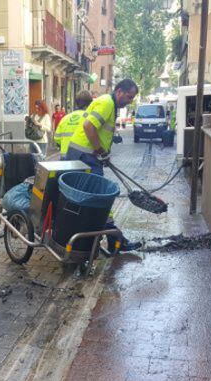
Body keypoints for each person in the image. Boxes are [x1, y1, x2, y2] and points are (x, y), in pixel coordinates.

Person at [65, 79, 142, 253]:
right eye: (129, 97)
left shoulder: (110, 104)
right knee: (101, 197)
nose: (129, 101)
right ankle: (113, 239)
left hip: (87, 156)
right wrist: (99, 150)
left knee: (96, 198)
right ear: (119, 91)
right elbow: (88, 126)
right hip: (86, 156)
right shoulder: (107, 103)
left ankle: (105, 238)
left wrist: (103, 153)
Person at [54, 91, 93, 159]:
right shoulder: (90, 118)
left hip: (65, 158)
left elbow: (57, 138)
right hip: (84, 158)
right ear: (90, 104)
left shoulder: (65, 118)